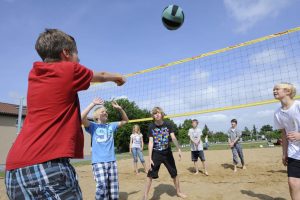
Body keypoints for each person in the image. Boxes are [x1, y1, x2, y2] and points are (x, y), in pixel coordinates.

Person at [5, 29, 125, 199]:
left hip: (14, 171)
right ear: (66, 53)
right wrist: (119, 77)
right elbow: (102, 75)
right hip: (48, 167)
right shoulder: (68, 69)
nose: (79, 61)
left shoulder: (34, 74)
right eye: (77, 56)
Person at [81, 97, 128, 200]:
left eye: (106, 112)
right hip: (98, 162)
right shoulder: (92, 126)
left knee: (113, 188)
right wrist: (93, 104)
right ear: (97, 116)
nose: (106, 113)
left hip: (112, 161)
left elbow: (125, 120)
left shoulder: (111, 126)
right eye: (103, 112)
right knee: (102, 187)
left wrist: (120, 109)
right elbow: (81, 118)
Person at [143, 107, 187, 200]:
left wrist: (179, 148)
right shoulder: (151, 127)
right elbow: (150, 142)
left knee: (174, 173)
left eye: (158, 113)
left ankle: (178, 192)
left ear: (162, 114)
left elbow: (173, 137)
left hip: (167, 153)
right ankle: (145, 196)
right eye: (155, 113)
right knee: (150, 174)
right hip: (156, 153)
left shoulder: (168, 124)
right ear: (153, 116)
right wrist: (149, 157)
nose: (157, 114)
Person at [273, 83, 300, 200]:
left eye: (277, 89)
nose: (274, 91)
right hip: (293, 151)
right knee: (292, 183)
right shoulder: (277, 113)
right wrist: (284, 153)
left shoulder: (298, 106)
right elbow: (283, 133)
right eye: (274, 89)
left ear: (288, 91)